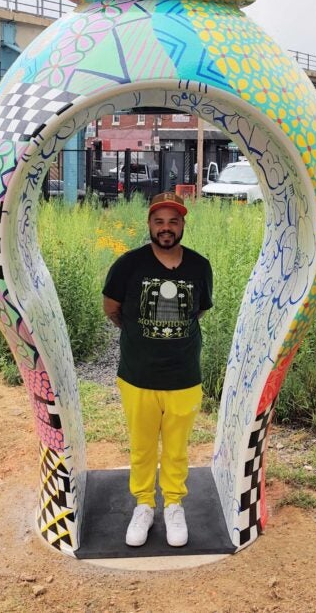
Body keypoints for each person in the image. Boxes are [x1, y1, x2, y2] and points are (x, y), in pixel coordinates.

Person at [102, 191, 213, 547]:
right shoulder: (128, 264)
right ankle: (144, 505)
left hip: (184, 376)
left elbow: (198, 310)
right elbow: (111, 308)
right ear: (149, 224)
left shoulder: (199, 266)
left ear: (183, 225)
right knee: (142, 445)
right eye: (159, 221)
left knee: (178, 447)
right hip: (138, 374)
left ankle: (174, 505)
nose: (166, 228)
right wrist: (142, 334)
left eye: (173, 221)